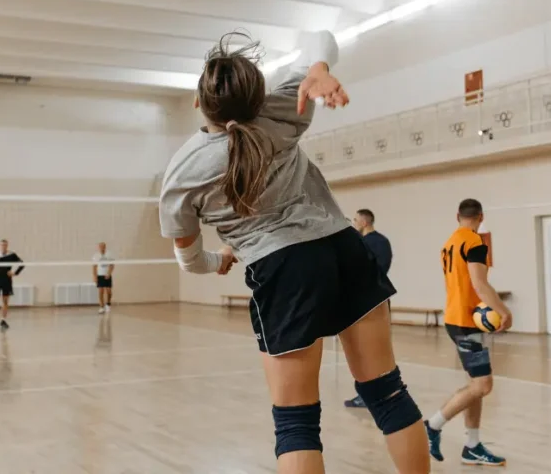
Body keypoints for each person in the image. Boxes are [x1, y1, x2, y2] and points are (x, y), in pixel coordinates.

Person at [159, 31, 429, 474]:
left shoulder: (183, 171)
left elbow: (187, 258)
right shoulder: (284, 106)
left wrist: (218, 259)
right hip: (344, 247)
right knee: (387, 393)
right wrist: (318, 71)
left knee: (297, 424)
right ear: (255, 93)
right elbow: (320, 36)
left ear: (197, 102)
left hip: (283, 269)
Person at [424, 198, 511, 466]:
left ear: (457, 216)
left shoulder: (449, 243)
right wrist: (503, 311)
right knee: (483, 385)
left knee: (476, 385)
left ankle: (472, 446)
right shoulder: (474, 242)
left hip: (457, 317)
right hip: (464, 322)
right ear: (481, 216)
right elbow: (479, 284)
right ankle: (433, 425)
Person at [343, 208, 394, 409]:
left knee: (370, 352)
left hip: (371, 303)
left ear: (364, 222)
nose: (354, 223)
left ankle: (374, 394)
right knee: (364, 352)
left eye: (355, 220)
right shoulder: (365, 241)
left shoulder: (377, 242)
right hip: (363, 302)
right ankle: (369, 393)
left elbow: (374, 270)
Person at [92, 242, 114, 314]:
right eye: (100, 246)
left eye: (103, 246)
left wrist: (109, 273)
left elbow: (112, 265)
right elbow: (94, 267)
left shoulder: (109, 254)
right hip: (100, 275)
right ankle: (101, 307)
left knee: (109, 291)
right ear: (99, 247)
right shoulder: (96, 255)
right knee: (101, 291)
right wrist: (95, 276)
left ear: (105, 247)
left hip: (107, 275)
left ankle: (108, 304)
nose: (102, 248)